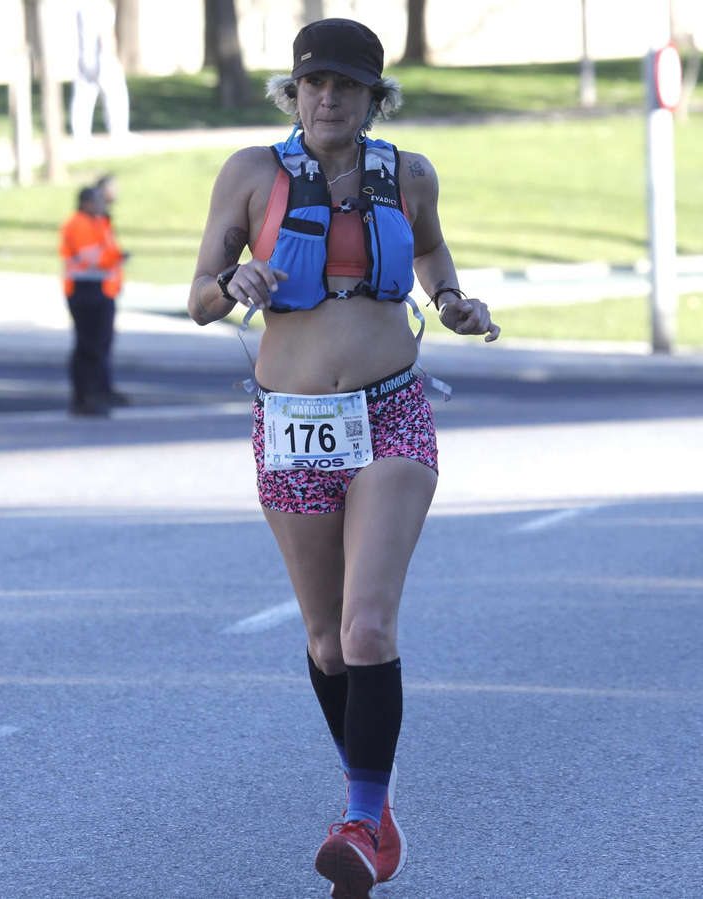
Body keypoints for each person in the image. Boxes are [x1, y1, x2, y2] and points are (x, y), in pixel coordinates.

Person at [186, 18, 498, 899]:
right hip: (290, 424)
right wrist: (231, 284)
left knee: (366, 629)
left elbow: (431, 247)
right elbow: (200, 293)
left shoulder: (409, 174)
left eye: (347, 87)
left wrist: (452, 299)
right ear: (294, 91)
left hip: (391, 414)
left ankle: (362, 820)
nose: (329, 98)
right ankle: (376, 811)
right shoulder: (252, 175)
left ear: (373, 99)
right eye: (314, 83)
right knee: (326, 645)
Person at [59, 180, 125, 415]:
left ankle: (95, 394)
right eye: (96, 202)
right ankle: (85, 398)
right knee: (89, 347)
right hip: (85, 290)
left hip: (96, 289)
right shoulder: (79, 224)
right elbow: (94, 256)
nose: (100, 205)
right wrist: (116, 258)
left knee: (97, 345)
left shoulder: (95, 222)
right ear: (86, 203)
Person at [72, 0, 130, 141]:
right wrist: (112, 57)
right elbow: (106, 36)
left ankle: (81, 136)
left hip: (85, 58)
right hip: (103, 57)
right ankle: (119, 133)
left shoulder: (82, 10)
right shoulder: (104, 7)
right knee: (116, 96)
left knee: (83, 97)